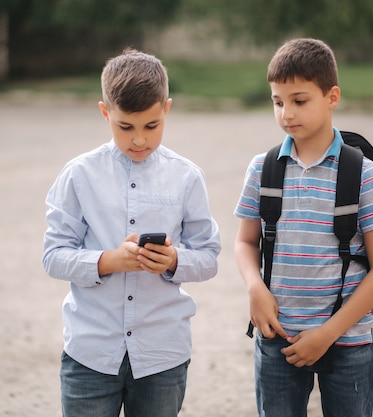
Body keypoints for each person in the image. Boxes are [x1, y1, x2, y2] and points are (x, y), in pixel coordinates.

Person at [42, 48, 221, 417]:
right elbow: (52, 255)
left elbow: (208, 257)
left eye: (151, 126)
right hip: (90, 354)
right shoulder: (79, 175)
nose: (139, 140)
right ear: (105, 112)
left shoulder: (187, 177)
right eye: (126, 127)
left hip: (162, 355)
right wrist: (109, 261)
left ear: (166, 109)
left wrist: (174, 260)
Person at [234, 38, 373, 417]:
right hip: (277, 337)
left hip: (348, 343)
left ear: (332, 96)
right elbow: (245, 242)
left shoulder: (361, 173)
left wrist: (328, 333)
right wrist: (254, 287)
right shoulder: (263, 169)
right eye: (278, 102)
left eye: (299, 100)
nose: (286, 113)